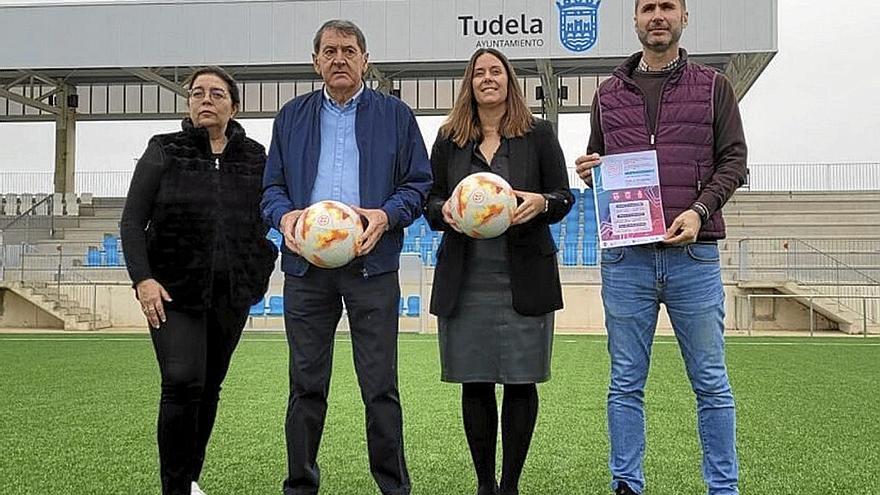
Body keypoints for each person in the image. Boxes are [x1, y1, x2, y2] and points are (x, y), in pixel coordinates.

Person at [575, 1, 748, 494]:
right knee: (625, 384)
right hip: (626, 258)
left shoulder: (714, 86)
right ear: (635, 20)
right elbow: (601, 162)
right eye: (647, 7)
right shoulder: (608, 94)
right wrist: (592, 172)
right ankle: (626, 484)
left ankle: (723, 487)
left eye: (667, 6)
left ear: (683, 18)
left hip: (694, 256)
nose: (657, 15)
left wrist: (700, 210)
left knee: (711, 382)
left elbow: (734, 159)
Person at [260, 19, 432, 495]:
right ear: (315, 61)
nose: (339, 59)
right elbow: (271, 187)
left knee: (380, 387)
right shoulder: (291, 116)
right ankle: (299, 485)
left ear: (365, 60)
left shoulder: (396, 115)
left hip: (371, 265)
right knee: (306, 385)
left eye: (349, 51)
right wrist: (284, 218)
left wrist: (386, 214)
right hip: (305, 269)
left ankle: (394, 487)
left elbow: (419, 183)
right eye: (330, 51)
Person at [120, 66, 277, 495]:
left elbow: (271, 212)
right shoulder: (163, 150)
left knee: (209, 387)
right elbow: (133, 221)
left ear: (234, 105)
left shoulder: (256, 156)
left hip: (232, 293)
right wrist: (143, 279)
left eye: (216, 94)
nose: (205, 100)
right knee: (182, 380)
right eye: (197, 93)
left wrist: (258, 264)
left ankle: (189, 479)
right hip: (173, 290)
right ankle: (173, 487)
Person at [425, 48, 574, 495]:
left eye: (496, 71)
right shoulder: (448, 138)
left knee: (521, 382)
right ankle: (485, 485)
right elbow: (429, 201)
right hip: (466, 276)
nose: (488, 78)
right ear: (468, 84)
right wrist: (444, 210)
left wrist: (542, 203)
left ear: (509, 80)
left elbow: (563, 196)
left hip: (523, 277)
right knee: (475, 381)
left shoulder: (539, 134)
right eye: (478, 73)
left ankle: (510, 485)